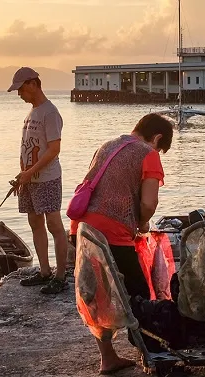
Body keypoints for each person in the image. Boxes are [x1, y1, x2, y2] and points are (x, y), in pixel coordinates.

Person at [68, 113, 173, 374]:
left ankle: (108, 358)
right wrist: (144, 223)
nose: (158, 151)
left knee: (97, 294)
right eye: (160, 147)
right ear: (157, 138)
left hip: (81, 229)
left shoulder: (108, 146)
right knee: (139, 293)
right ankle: (151, 354)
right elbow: (149, 203)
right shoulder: (148, 154)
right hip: (111, 233)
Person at [8, 67, 69, 294]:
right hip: (29, 179)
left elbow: (54, 149)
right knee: (35, 223)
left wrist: (30, 171)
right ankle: (44, 271)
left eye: (21, 89)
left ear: (33, 84)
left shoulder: (50, 112)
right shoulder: (32, 113)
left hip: (48, 178)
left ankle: (60, 276)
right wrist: (23, 175)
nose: (19, 94)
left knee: (54, 224)